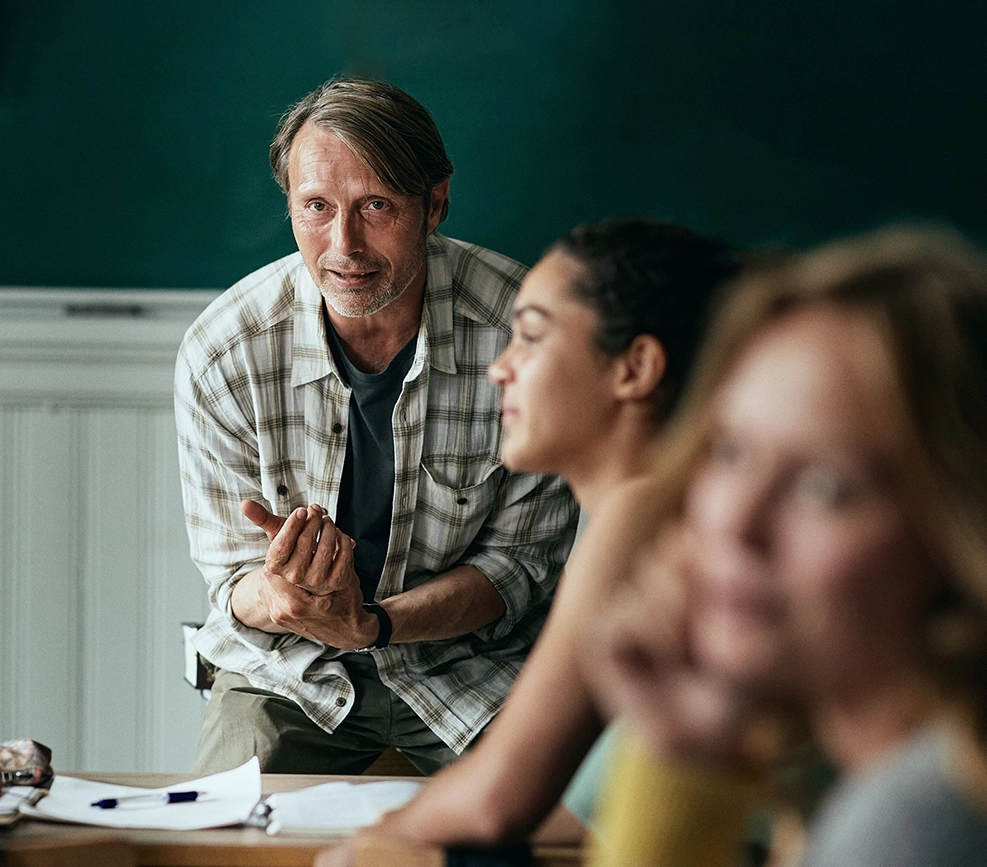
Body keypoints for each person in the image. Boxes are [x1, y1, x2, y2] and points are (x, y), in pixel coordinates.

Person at [175, 77, 577, 775]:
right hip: (286, 670)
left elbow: (518, 566)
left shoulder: (527, 336)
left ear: (435, 205)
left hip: (475, 666)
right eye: (316, 207)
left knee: (542, 829)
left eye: (377, 205)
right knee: (226, 837)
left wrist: (374, 624)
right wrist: (283, 595)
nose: (344, 244)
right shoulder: (223, 352)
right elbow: (231, 576)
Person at [315, 218, 741, 862]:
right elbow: (579, 808)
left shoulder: (639, 514)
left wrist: (377, 843)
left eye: (532, 338)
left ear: (636, 368)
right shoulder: (642, 511)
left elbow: (497, 801)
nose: (501, 369)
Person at [583, 227, 987, 866]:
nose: (737, 523)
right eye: (732, 451)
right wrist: (687, 754)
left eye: (827, 487)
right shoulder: (874, 782)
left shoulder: (918, 824)